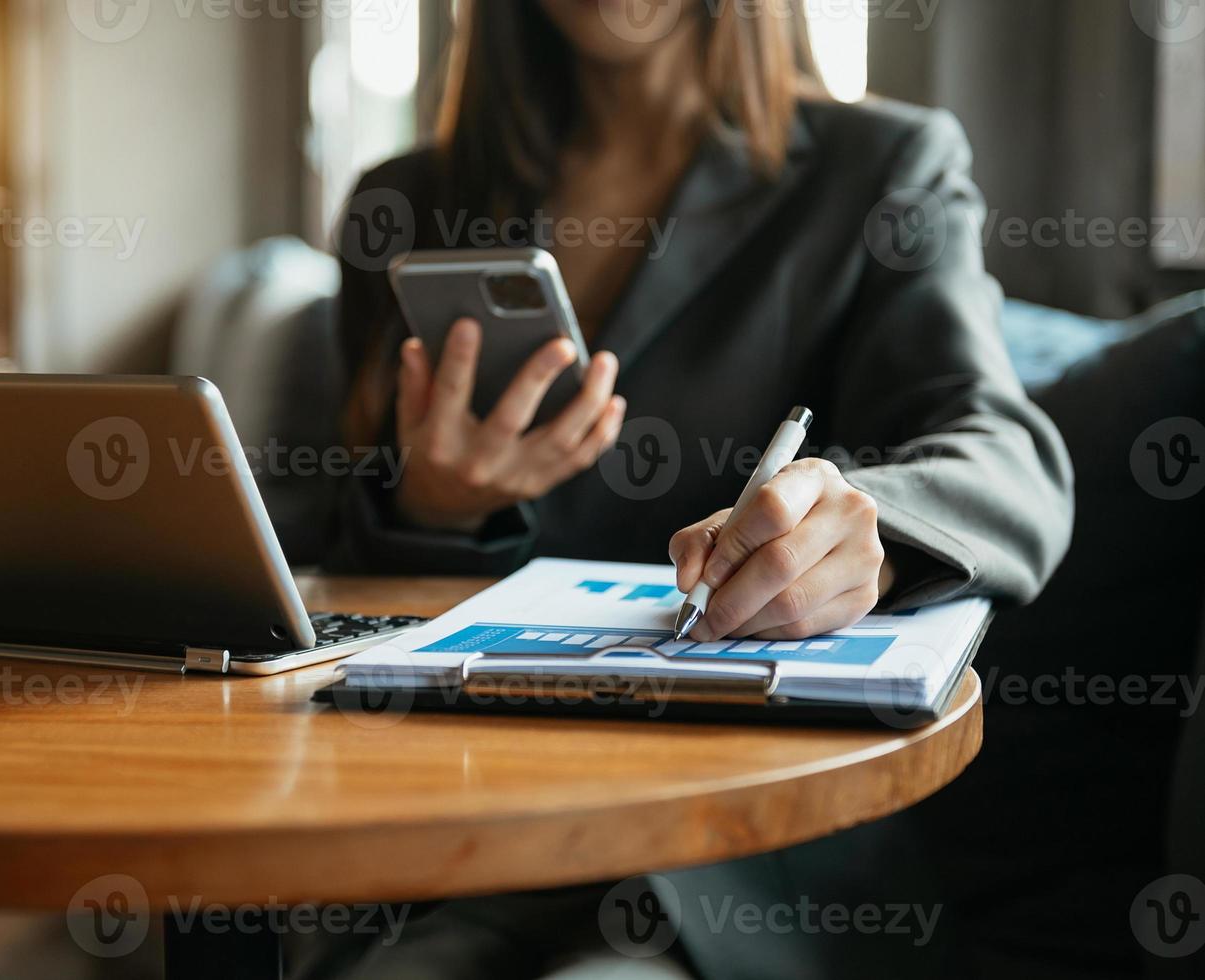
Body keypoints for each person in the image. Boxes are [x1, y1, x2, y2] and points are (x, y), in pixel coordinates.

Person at [306, 0, 1075, 976]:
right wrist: (433, 511)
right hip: (443, 824)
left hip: (721, 869)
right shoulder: (404, 202)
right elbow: (332, 566)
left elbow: (1001, 453)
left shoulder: (879, 168)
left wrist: (862, 527)